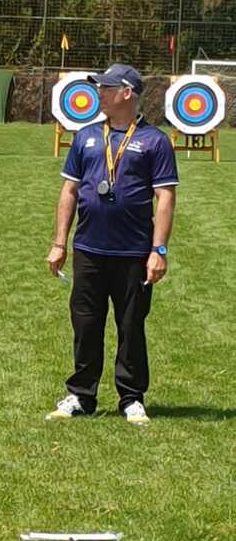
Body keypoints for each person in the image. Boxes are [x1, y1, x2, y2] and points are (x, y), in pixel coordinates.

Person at [45, 64, 178, 426]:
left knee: (131, 326)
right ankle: (81, 395)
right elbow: (69, 191)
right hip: (88, 249)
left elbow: (165, 197)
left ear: (126, 93)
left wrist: (159, 250)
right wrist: (59, 243)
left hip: (134, 252)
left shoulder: (155, 141)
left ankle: (131, 398)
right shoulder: (86, 136)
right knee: (85, 325)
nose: (99, 93)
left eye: (106, 88)